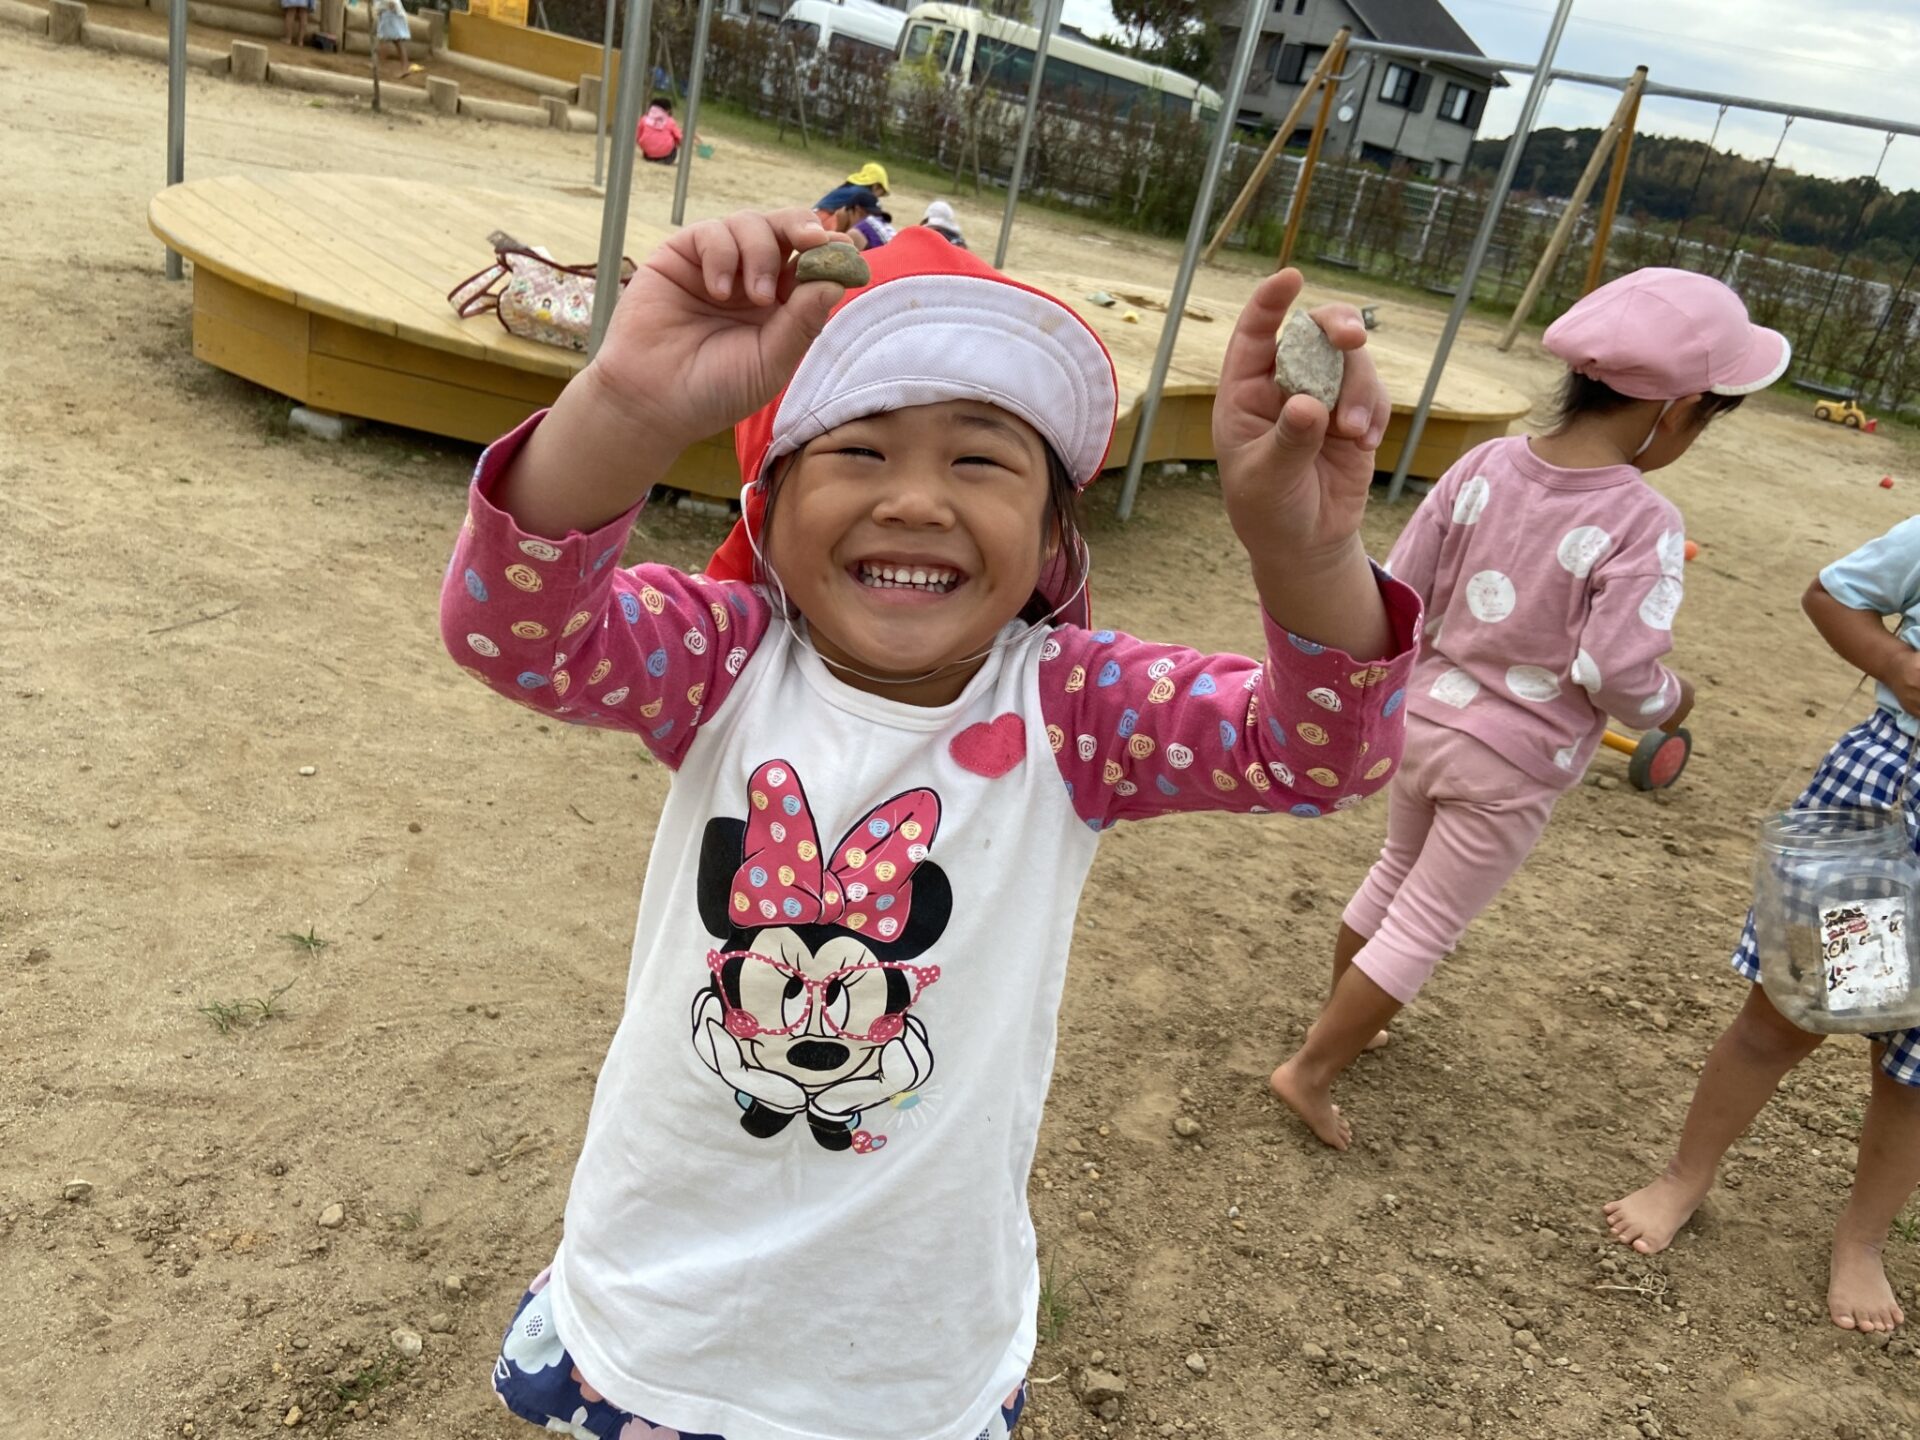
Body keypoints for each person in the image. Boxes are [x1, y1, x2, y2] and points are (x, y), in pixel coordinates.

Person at [440, 208, 1418, 1440]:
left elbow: (1320, 753)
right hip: (662, 1292)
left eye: (981, 461)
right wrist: (629, 406)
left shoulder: (1075, 709)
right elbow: (514, 633)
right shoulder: (722, 661)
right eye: (857, 449)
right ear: (766, 507)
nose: (914, 500)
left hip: (903, 1340)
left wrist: (1305, 550)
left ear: (1054, 536)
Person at [1270, 267, 1789, 1152]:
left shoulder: (1482, 463)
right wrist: (1673, 699)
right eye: (1705, 420)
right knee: (1426, 922)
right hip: (1511, 761)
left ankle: (1342, 1018)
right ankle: (1312, 1070)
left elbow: (1401, 588)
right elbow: (1618, 671)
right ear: (1677, 410)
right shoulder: (1644, 521)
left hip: (1422, 723)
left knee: (1393, 874)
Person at [1606, 515, 1920, 1333]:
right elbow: (1832, 595)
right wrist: (1897, 663)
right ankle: (1685, 1176)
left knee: (1913, 1073)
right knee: (1782, 1019)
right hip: (1887, 813)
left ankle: (1863, 1239)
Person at [812, 162, 890, 227]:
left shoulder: (850, 187)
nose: (878, 197)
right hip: (825, 220)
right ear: (876, 186)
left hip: (816, 216)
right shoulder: (862, 194)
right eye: (881, 193)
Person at [636, 95, 683, 165]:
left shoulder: (644, 119)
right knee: (673, 140)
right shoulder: (670, 121)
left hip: (648, 155)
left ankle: (651, 155)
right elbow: (680, 138)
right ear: (668, 110)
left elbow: (638, 135)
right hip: (666, 157)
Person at [371, 0, 410, 77]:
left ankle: (380, 66)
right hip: (390, 12)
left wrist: (390, 3)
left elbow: (391, 3)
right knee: (394, 41)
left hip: (390, 13)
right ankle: (404, 68)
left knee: (385, 40)